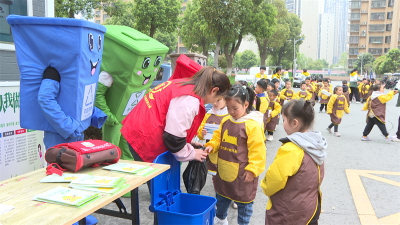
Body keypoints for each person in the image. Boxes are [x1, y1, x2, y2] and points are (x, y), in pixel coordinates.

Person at [121, 67, 231, 194]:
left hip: (139, 128)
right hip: (145, 138)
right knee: (162, 190)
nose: (214, 102)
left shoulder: (184, 84)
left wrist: (188, 143)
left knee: (160, 185)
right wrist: (191, 153)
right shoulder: (190, 101)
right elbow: (173, 138)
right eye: (217, 99)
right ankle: (163, 213)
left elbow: (174, 126)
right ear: (214, 90)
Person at [205, 85, 266, 225]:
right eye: (228, 108)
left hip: (243, 174)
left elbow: (258, 151)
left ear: (246, 104)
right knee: (221, 196)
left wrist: (253, 170)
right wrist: (211, 145)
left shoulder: (252, 126)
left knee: (244, 204)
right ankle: (220, 219)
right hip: (224, 170)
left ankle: (243, 223)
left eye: (235, 108)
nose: (231, 111)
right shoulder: (226, 121)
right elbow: (217, 137)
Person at [261, 100, 327, 225]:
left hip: (289, 211)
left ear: (295, 123)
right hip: (311, 207)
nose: (283, 123)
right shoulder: (317, 144)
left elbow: (274, 180)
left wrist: (265, 187)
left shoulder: (291, 149)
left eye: (285, 120)